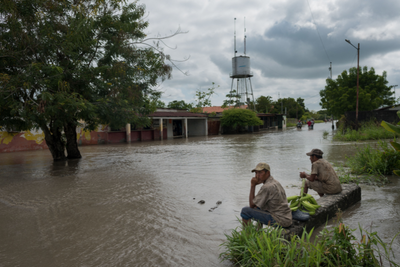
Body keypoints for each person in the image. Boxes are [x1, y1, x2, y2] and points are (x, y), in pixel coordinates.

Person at [240, 163, 292, 228]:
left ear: (268, 173)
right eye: (256, 173)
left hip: (280, 220)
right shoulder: (275, 182)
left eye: (260, 173)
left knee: (245, 211)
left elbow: (252, 205)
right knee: (259, 206)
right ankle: (258, 231)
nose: (257, 176)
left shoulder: (267, 187)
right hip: (287, 217)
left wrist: (253, 186)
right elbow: (257, 205)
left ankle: (247, 235)